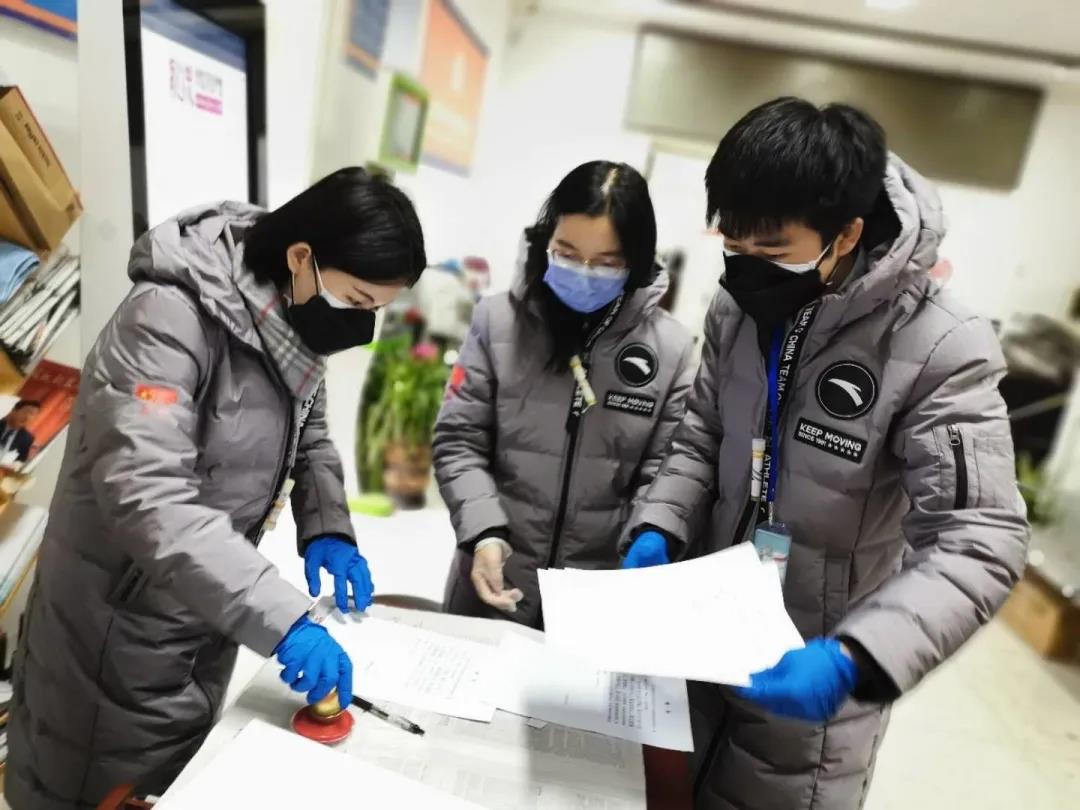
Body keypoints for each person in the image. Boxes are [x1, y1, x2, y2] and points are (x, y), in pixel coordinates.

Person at [622, 98, 1029, 809]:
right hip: (700, 645)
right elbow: (703, 435)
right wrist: (660, 522)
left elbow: (981, 535)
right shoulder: (736, 310)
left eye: (773, 251)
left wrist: (856, 656)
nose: (747, 270)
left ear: (847, 235)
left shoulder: (939, 346)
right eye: (734, 247)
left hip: (810, 687)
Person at [6, 168, 427, 809]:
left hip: (207, 608)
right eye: (359, 301)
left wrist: (330, 529)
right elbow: (149, 496)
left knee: (173, 784)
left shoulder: (289, 320)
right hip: (117, 629)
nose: (363, 323)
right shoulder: (166, 320)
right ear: (302, 258)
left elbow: (308, 432)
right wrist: (284, 619)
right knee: (92, 788)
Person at [434, 161, 695, 628]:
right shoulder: (497, 322)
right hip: (492, 583)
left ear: (635, 262)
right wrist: (484, 532)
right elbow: (459, 440)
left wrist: (651, 530)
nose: (585, 273)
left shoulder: (671, 350)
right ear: (546, 241)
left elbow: (666, 467)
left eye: (607, 262)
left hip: (595, 601)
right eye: (568, 253)